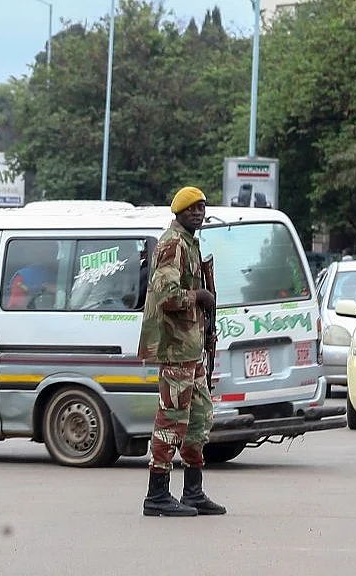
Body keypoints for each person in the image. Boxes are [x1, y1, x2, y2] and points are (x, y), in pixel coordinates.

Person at [137, 186, 227, 517]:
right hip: (175, 348)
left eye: (202, 208)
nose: (198, 213)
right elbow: (166, 295)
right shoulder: (172, 244)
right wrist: (199, 296)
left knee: (200, 417)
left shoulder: (190, 242)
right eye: (192, 209)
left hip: (191, 347)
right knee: (172, 418)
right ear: (178, 212)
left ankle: (193, 491)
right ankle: (157, 494)